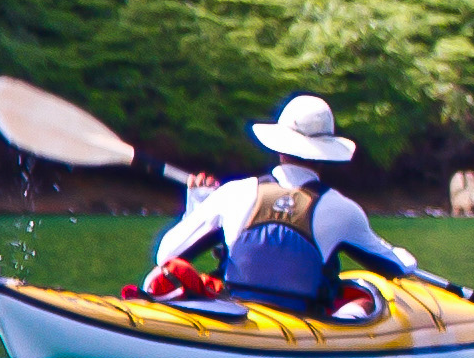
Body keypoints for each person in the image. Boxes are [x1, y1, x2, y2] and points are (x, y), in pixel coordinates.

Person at [141, 94, 429, 319]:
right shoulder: (343, 210)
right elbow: (397, 267)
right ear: (325, 153)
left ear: (279, 146)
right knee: (363, 299)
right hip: (301, 322)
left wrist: (197, 204)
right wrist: (407, 258)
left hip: (236, 313)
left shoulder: (233, 193)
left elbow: (166, 254)